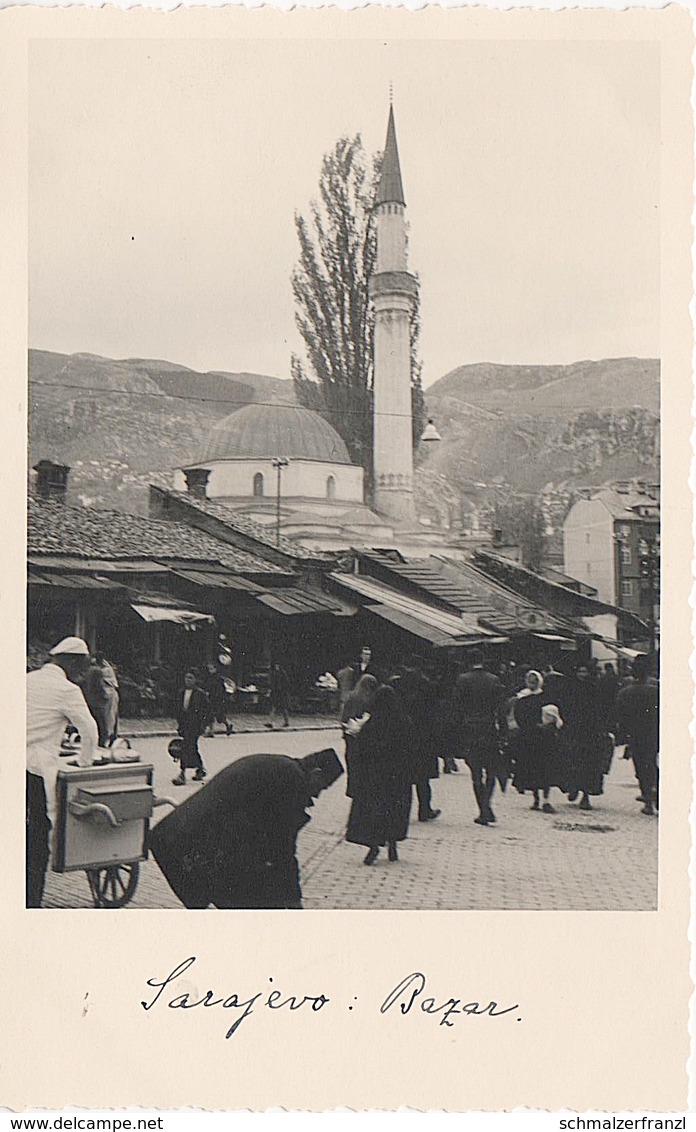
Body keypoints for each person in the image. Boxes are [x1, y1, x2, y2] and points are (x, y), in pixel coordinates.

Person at [150, 748, 343, 908]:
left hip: (178, 838)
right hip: (193, 845)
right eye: (321, 787)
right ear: (316, 773)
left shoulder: (283, 767)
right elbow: (283, 848)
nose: (317, 795)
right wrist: (293, 899)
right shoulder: (291, 780)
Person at [26, 636, 99, 907]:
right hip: (33, 770)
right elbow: (89, 730)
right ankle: (31, 904)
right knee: (36, 839)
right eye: (81, 666)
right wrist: (85, 761)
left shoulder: (27, 679)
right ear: (70, 661)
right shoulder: (66, 690)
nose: (81, 673)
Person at [346, 685, 413, 865]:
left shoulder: (371, 725)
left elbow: (360, 752)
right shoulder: (404, 722)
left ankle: (373, 845)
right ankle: (392, 844)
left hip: (374, 776)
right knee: (394, 810)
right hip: (397, 777)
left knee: (374, 811)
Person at [452, 649, 507, 826]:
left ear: (469, 662)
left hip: (470, 730)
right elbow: (501, 709)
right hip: (489, 729)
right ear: (483, 660)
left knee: (475, 772)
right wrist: (503, 731)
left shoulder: (462, 680)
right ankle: (486, 806)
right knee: (491, 770)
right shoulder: (494, 680)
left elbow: (457, 708)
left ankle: (483, 810)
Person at [393, 658, 441, 822]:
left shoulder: (398, 684)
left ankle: (400, 812)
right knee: (423, 779)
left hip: (402, 736)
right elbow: (434, 713)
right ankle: (424, 810)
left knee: (402, 778)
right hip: (423, 737)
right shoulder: (427, 684)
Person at [511, 670, 563, 813]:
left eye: (534, 681)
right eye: (529, 681)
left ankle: (546, 800)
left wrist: (548, 725)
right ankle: (536, 798)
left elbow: (555, 716)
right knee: (532, 768)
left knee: (545, 768)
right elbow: (518, 717)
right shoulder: (522, 698)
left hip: (544, 738)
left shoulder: (546, 697)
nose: (531, 683)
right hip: (529, 737)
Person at [615, 654, 659, 815]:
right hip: (653, 733)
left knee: (640, 766)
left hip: (635, 735)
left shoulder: (624, 692)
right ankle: (658, 792)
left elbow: (620, 717)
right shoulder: (656, 690)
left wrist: (623, 738)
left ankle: (648, 800)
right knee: (652, 762)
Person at [564, 663, 607, 810]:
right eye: (580, 671)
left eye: (585, 671)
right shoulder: (570, 688)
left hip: (591, 732)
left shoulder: (594, 688)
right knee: (574, 761)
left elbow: (600, 710)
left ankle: (586, 795)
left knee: (589, 764)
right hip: (574, 730)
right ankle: (573, 788)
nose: (582, 674)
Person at [341, 673, 379, 800]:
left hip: (350, 737)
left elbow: (344, 718)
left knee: (353, 769)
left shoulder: (351, 696)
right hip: (363, 740)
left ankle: (353, 792)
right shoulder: (370, 699)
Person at [172, 672, 209, 785]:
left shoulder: (200, 694)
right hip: (184, 724)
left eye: (191, 678)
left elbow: (206, 711)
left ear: (195, 680)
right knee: (191, 748)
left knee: (187, 747)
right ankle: (200, 768)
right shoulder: (181, 692)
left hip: (195, 725)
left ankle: (182, 773)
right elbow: (179, 709)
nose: (188, 680)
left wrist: (203, 725)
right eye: (186, 677)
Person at [82, 652, 120, 747]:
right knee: (108, 718)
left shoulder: (101, 670)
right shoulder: (101, 669)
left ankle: (108, 737)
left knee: (109, 717)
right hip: (104, 696)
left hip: (107, 695)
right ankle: (108, 737)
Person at [203, 662, 234, 737]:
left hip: (217, 699)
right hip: (212, 698)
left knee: (217, 716)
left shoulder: (219, 679)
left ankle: (227, 724)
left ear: (215, 669)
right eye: (209, 669)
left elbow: (220, 689)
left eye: (211, 669)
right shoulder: (209, 677)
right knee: (211, 715)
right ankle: (211, 731)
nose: (210, 671)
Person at [266, 661, 291, 729]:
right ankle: (271, 722)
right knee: (273, 707)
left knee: (283, 708)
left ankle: (286, 722)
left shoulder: (281, 673)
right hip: (276, 692)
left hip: (281, 692)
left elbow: (286, 683)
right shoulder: (273, 673)